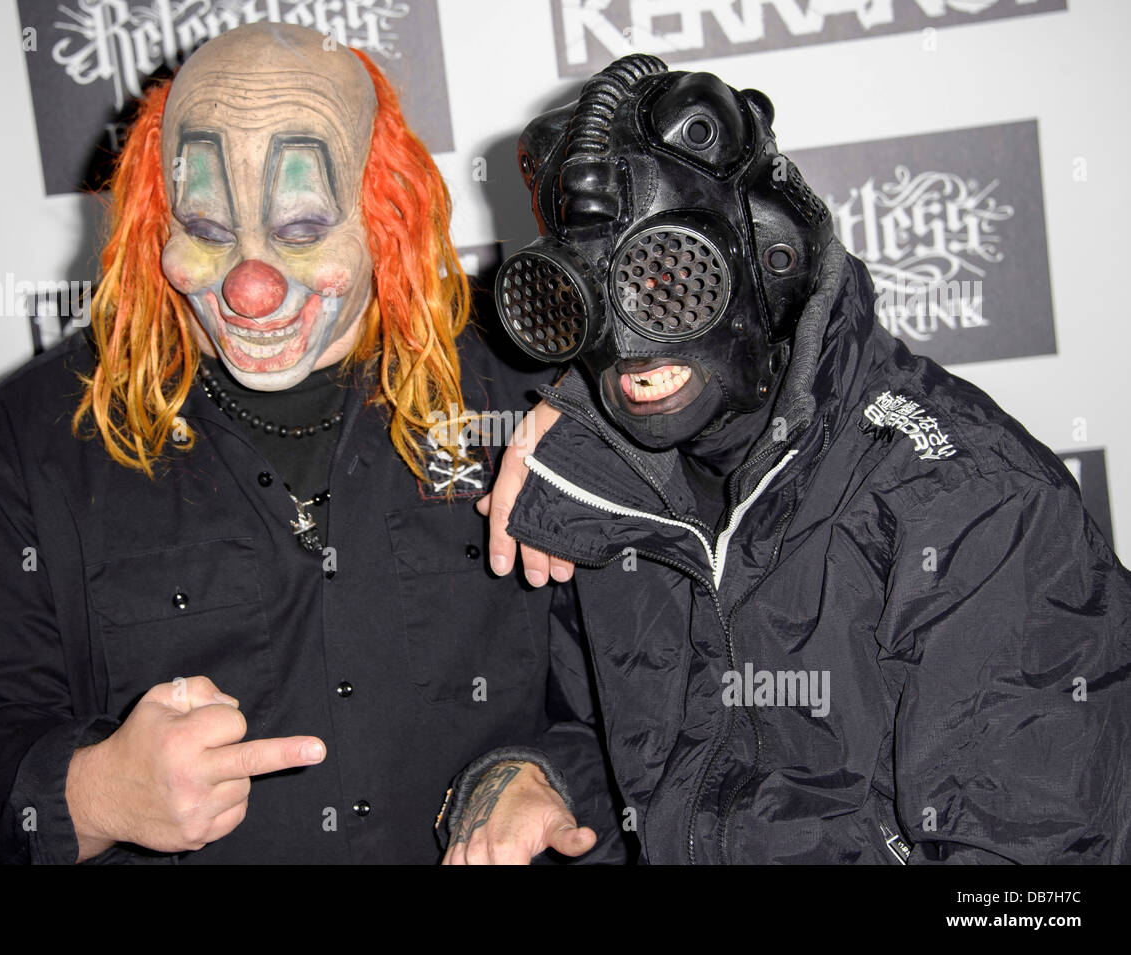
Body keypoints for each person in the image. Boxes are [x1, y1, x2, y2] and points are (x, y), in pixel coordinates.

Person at [0, 22, 621, 865]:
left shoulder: (529, 393)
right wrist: (92, 791)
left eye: (305, 227)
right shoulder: (32, 441)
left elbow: (654, 685)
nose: (251, 284)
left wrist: (547, 775)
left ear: (383, 209)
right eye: (205, 226)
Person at [456, 54, 1131, 864]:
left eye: (670, 277)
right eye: (588, 291)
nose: (628, 339)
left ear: (773, 256)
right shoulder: (595, 489)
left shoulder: (971, 505)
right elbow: (625, 748)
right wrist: (535, 776)